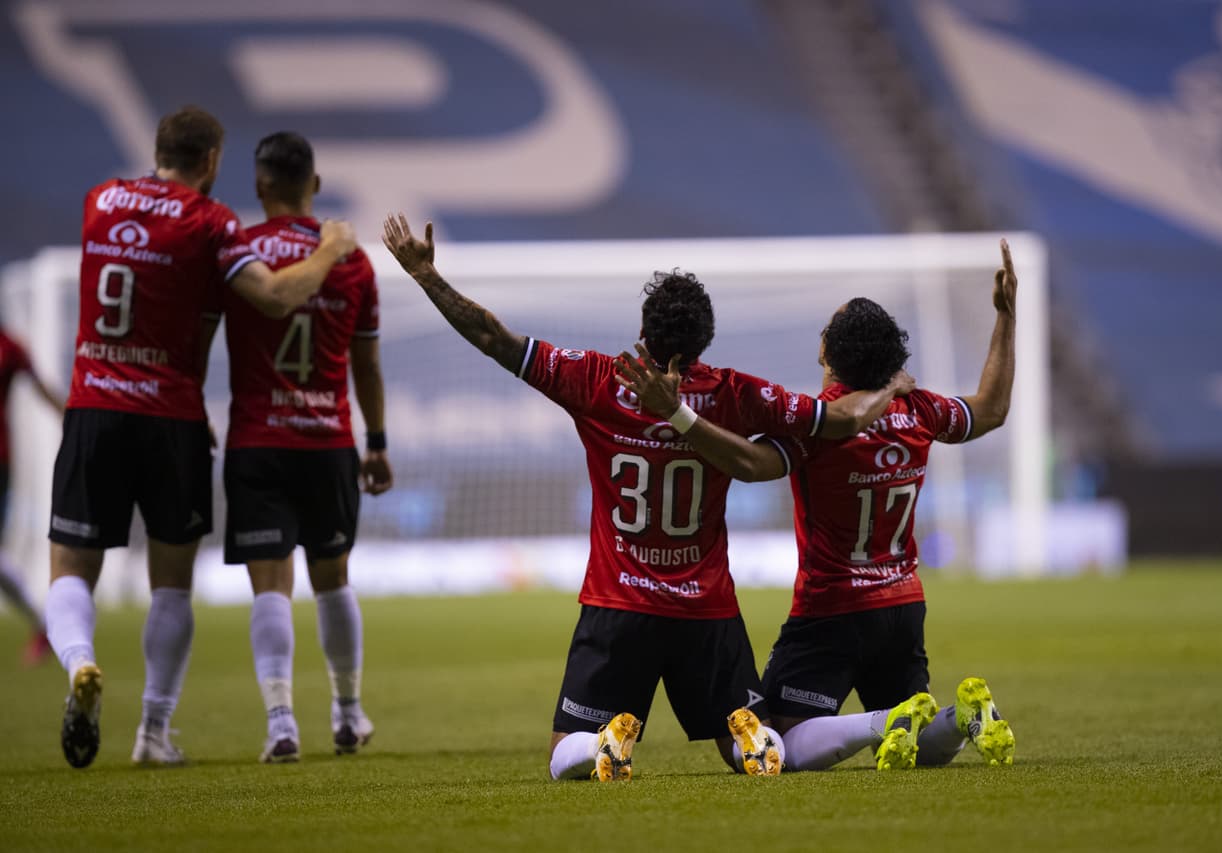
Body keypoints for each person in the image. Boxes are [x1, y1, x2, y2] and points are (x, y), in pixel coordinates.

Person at [382, 213, 909, 781]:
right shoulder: (738, 394)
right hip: (706, 611)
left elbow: (492, 336)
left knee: (565, 753)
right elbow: (838, 420)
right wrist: (888, 385)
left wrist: (425, 275)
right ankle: (768, 739)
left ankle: (601, 746)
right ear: (705, 340)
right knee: (745, 740)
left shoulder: (596, 379)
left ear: (643, 331)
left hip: (619, 607)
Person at [616, 238, 1020, 772]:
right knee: (915, 732)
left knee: (774, 741)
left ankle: (882, 724)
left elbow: (751, 465)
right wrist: (1004, 318)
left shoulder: (817, 427)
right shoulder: (918, 409)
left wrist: (681, 418)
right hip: (902, 606)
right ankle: (967, 716)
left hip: (831, 610)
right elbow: (990, 410)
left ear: (829, 353)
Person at [46, 105, 357, 770]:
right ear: (211, 161)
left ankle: (80, 661)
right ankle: (152, 730)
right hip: (171, 419)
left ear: (159, 149)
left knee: (71, 566)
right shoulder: (212, 224)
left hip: (94, 405)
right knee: (171, 586)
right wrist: (330, 248)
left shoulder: (99, 200)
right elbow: (273, 296)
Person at [219, 132, 392, 763]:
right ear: (314, 186)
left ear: (261, 184)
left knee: (270, 587)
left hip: (257, 440)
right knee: (332, 579)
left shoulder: (238, 251)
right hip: (328, 442)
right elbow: (366, 365)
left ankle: (281, 724)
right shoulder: (350, 259)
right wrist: (376, 443)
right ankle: (347, 712)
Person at [0, 328, 64, 665]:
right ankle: (43, 625)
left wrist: (70, 416)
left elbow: (39, 385)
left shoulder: (9, 346)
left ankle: (43, 625)